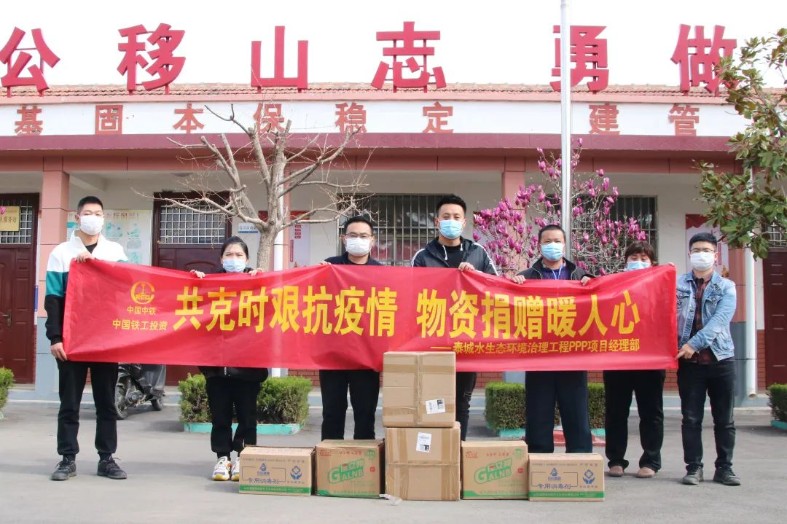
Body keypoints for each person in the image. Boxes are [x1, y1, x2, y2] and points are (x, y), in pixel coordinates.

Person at [46, 196, 129, 481]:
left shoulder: (115, 251)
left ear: (104, 218)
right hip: (73, 341)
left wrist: (97, 266)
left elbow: (125, 290)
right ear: (77, 217)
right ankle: (67, 458)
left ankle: (107, 458)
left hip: (105, 340)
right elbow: (53, 299)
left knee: (106, 403)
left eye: (98, 213)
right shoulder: (61, 253)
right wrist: (55, 337)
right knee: (69, 403)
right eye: (88, 213)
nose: (93, 217)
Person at [412, 195, 498, 440]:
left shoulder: (478, 253)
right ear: (436, 221)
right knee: (433, 399)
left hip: (467, 340)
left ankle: (457, 450)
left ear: (464, 222)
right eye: (446, 216)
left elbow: (496, 289)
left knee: (462, 402)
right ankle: (435, 451)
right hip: (433, 340)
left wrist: (476, 276)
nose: (451, 221)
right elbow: (412, 294)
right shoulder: (423, 256)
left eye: (456, 217)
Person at [192, 236, 268, 481]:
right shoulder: (209, 283)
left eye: (239, 255)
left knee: (248, 416)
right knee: (220, 416)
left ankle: (244, 457)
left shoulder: (257, 283)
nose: (233, 259)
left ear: (247, 259)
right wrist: (192, 282)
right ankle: (223, 458)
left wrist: (263, 280)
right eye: (229, 255)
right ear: (221, 258)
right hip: (217, 367)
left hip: (248, 366)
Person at [511, 224, 593, 453]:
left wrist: (592, 285)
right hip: (539, 358)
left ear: (565, 245)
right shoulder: (527, 276)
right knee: (538, 413)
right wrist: (513, 286)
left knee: (576, 413)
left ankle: (580, 461)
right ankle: (539, 461)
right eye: (547, 242)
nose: (552, 245)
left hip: (572, 357)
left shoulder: (580, 275)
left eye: (557, 241)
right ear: (539, 245)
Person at [676, 232, 740, 486]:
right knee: (691, 419)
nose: (701, 254)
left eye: (706, 250)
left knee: (724, 419)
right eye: (696, 250)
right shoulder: (677, 285)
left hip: (721, 361)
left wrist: (694, 344)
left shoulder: (727, 287)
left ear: (715, 255)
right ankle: (694, 468)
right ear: (689, 254)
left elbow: (719, 322)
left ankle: (725, 468)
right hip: (689, 365)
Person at [603, 241, 665, 478]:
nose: (638, 262)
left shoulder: (661, 286)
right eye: (633, 258)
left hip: (650, 359)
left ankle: (651, 461)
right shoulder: (614, 284)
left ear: (652, 263)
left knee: (651, 412)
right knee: (616, 412)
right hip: (618, 358)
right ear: (625, 261)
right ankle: (616, 460)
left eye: (643, 258)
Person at [319, 216, 383, 441]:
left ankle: (365, 461)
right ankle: (329, 459)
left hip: (366, 357)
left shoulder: (382, 272)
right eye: (353, 235)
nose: (358, 240)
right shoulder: (330, 266)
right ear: (343, 238)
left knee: (365, 415)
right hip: (333, 355)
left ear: (372, 240)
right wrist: (317, 275)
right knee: (332, 413)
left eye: (364, 236)